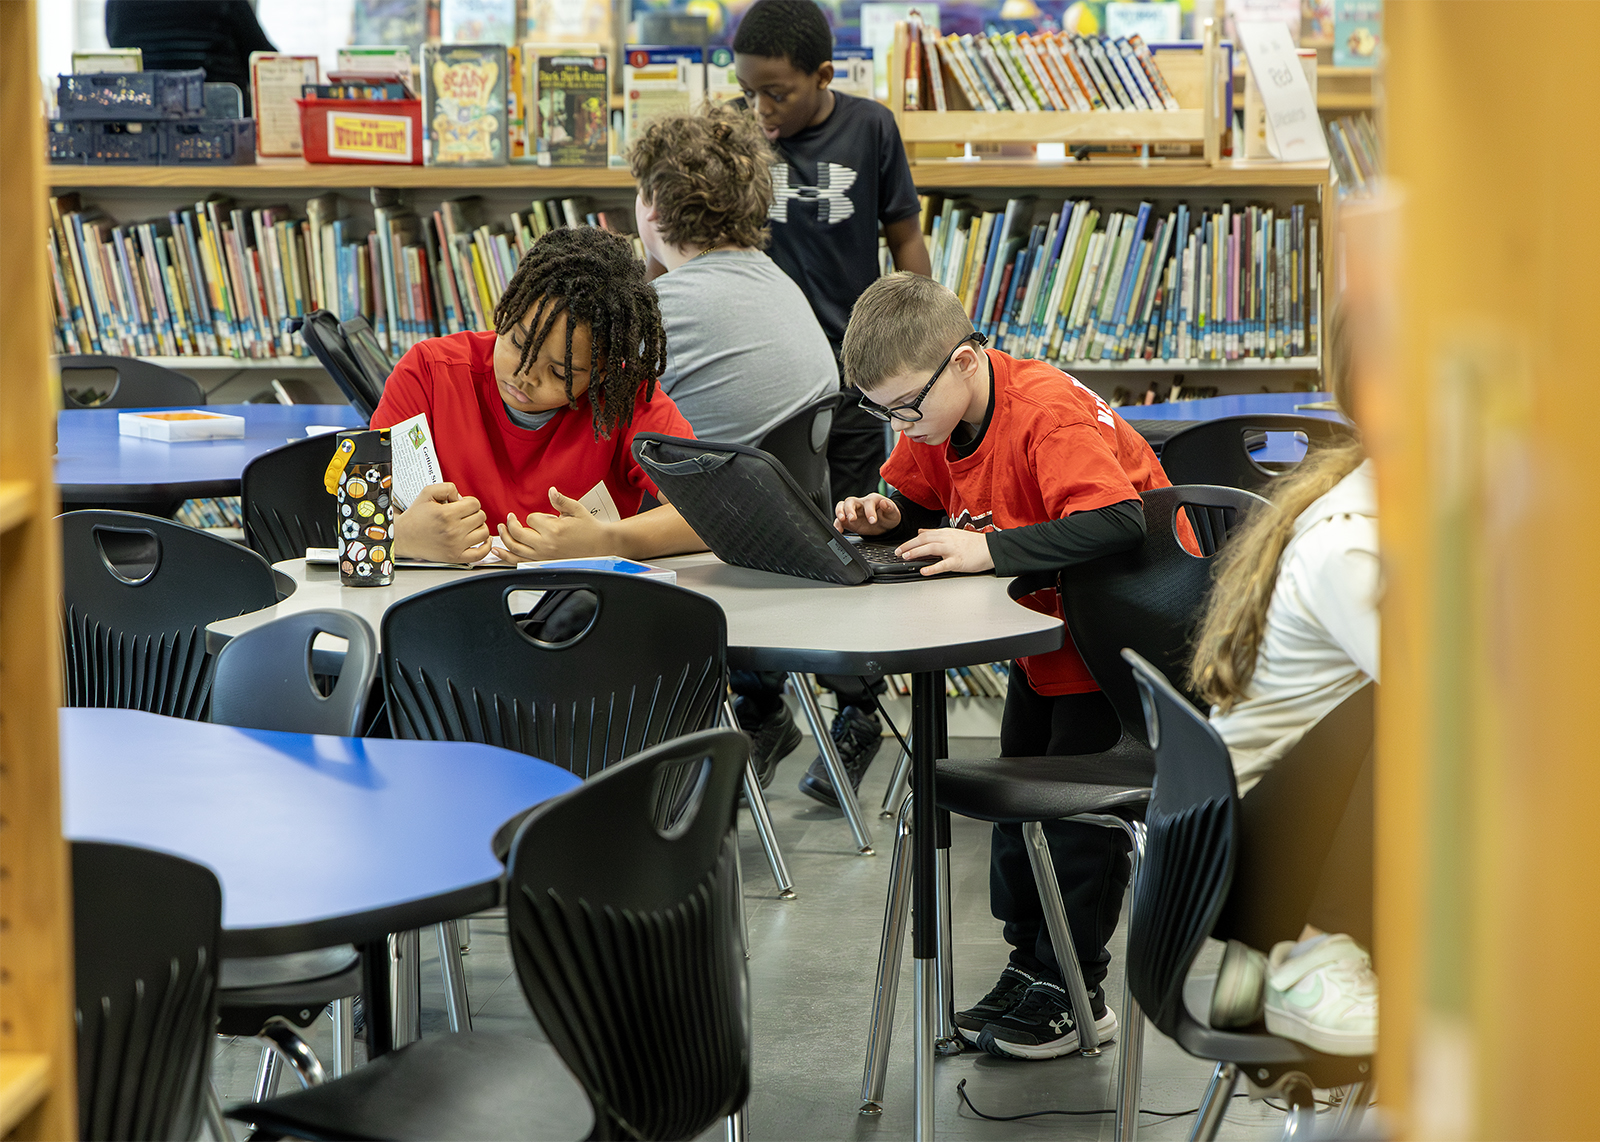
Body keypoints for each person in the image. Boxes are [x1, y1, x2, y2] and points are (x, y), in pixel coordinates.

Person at [834, 272, 1187, 1061]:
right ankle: (1033, 966)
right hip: (1045, 640)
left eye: (904, 407)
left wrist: (988, 548)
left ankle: (1076, 990)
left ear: (963, 361)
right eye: (879, 410)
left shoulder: (1043, 412)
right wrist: (888, 514)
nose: (899, 425)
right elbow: (921, 498)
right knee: (1017, 817)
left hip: (1119, 643)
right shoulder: (936, 415)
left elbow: (1118, 520)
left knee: (1076, 825)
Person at [733, 0, 933, 804]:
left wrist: (930, 329)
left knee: (851, 534)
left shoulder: (872, 129)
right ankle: (760, 706)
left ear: (823, 77)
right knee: (754, 541)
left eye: (776, 93)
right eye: (748, 92)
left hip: (852, 380)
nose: (760, 110)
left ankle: (857, 711)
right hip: (768, 377)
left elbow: (904, 236)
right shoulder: (737, 135)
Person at [629, 102, 840, 786]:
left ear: (655, 206)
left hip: (700, 561)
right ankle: (757, 705)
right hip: (770, 551)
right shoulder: (778, 285)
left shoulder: (667, 310)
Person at [1187, 309, 1378, 1057]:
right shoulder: (1354, 547)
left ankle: (1285, 953)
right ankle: (1311, 955)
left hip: (1272, 832)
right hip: (1253, 865)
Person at [372, 226, 704, 565]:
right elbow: (351, 509)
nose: (524, 375)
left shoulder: (624, 398)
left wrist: (608, 541)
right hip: (438, 603)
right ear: (506, 309)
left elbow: (712, 514)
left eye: (560, 372)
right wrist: (401, 534)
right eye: (517, 342)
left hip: (577, 608)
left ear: (602, 372)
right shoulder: (429, 372)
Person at [105, 0, 275, 115]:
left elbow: (121, 53)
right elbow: (265, 64)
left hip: (146, 122)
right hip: (222, 124)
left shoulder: (119, 3)